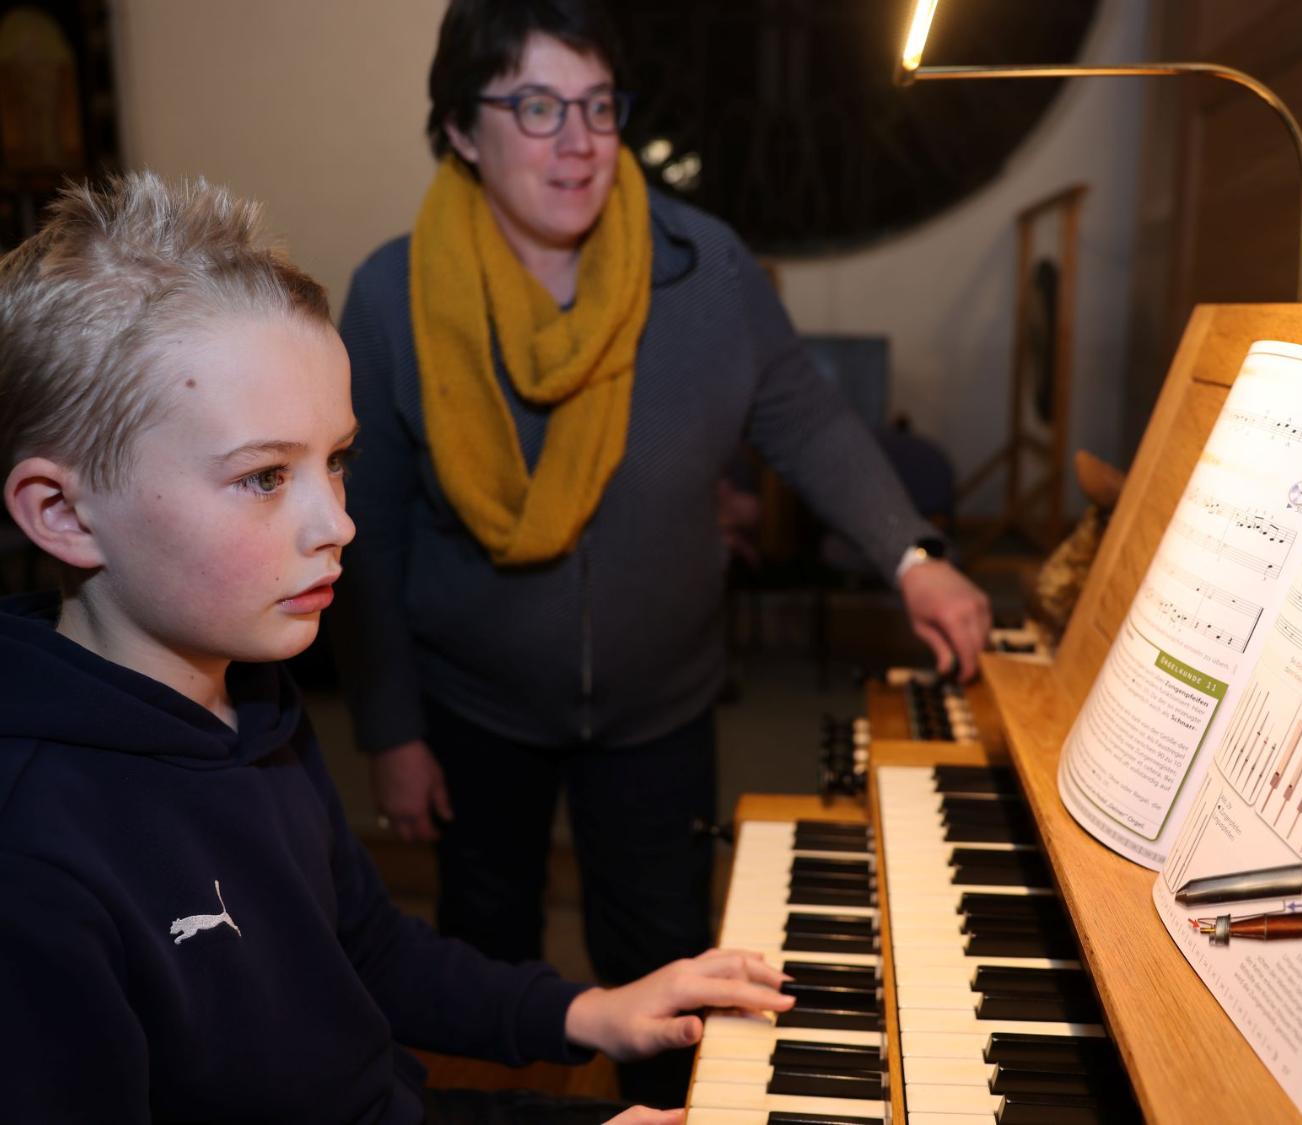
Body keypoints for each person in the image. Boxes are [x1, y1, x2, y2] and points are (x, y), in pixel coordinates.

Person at [0, 171, 791, 1125]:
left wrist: (588, 1010)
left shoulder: (252, 700)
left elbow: (367, 952)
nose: (336, 522)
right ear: (62, 513)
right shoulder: (35, 858)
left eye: (335, 461)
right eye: (262, 477)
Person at [336, 0, 992, 1102]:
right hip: (476, 714)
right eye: (537, 106)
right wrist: (392, 730)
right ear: (459, 125)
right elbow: (369, 536)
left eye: (599, 105)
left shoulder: (706, 266)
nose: (579, 142)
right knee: (487, 968)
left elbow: (809, 421)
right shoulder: (391, 296)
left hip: (662, 711)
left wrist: (913, 554)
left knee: (673, 985)